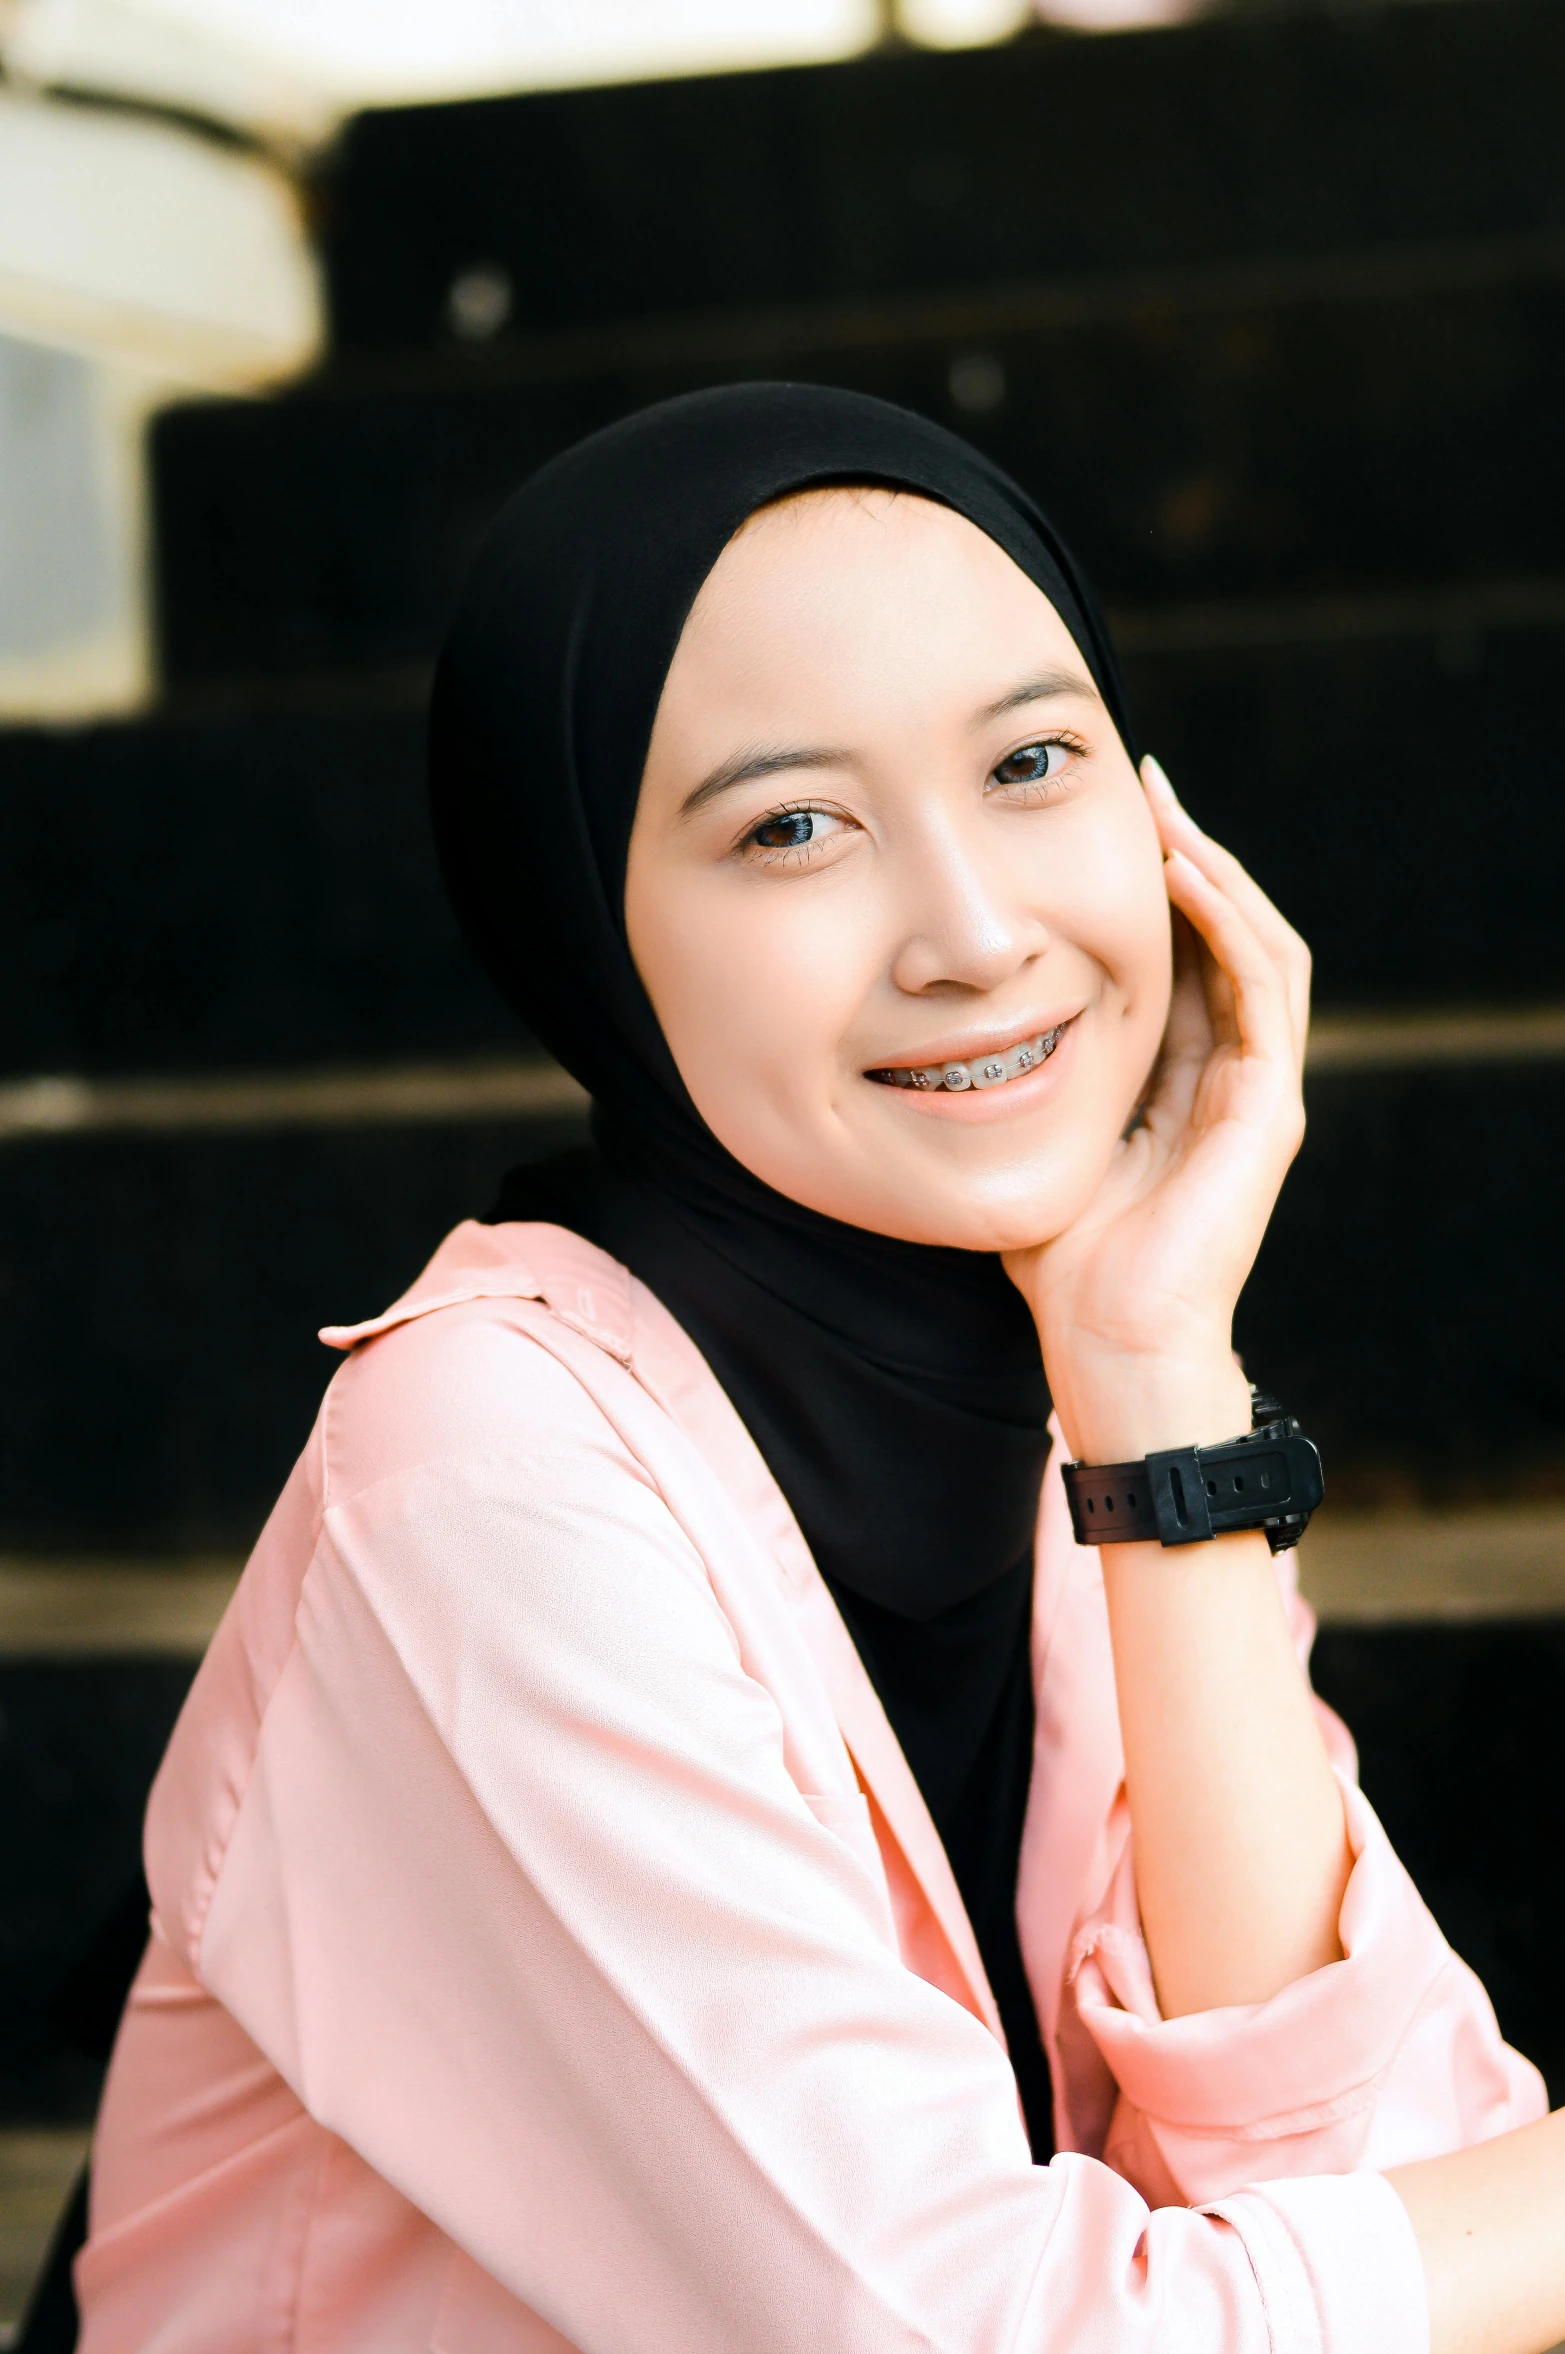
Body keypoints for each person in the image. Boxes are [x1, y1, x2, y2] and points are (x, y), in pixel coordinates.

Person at [75, 385, 1565, 2353]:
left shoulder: (1057, 1408)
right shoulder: (481, 1472)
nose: (969, 931)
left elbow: (1360, 2162)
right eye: (791, 826)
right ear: (582, 925)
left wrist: (1149, 1374)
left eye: (1033, 763)